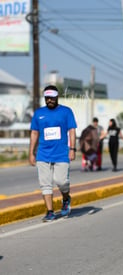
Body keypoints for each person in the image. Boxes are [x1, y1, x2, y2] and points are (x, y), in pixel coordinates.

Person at [29, 85, 77, 222]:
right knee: (45, 184)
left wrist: (72, 149)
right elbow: (34, 133)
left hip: (61, 154)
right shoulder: (38, 113)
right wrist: (31, 152)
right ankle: (50, 212)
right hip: (43, 154)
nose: (49, 100)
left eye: (52, 97)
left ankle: (66, 198)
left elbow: (72, 130)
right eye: (47, 97)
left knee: (61, 181)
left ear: (57, 97)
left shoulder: (66, 111)